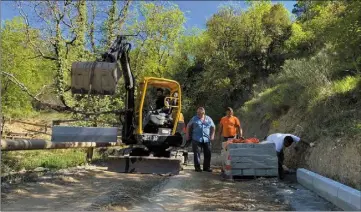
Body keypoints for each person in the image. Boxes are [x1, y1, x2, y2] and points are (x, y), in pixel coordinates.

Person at [186, 107, 216, 172]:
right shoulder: (194, 118)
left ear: (203, 113)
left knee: (208, 153)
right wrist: (187, 135)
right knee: (197, 154)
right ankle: (197, 168)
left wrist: (212, 135)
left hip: (206, 139)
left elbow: (213, 127)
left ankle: (206, 168)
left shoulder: (208, 119)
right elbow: (188, 126)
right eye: (197, 113)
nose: (198, 114)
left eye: (199, 113)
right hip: (196, 138)